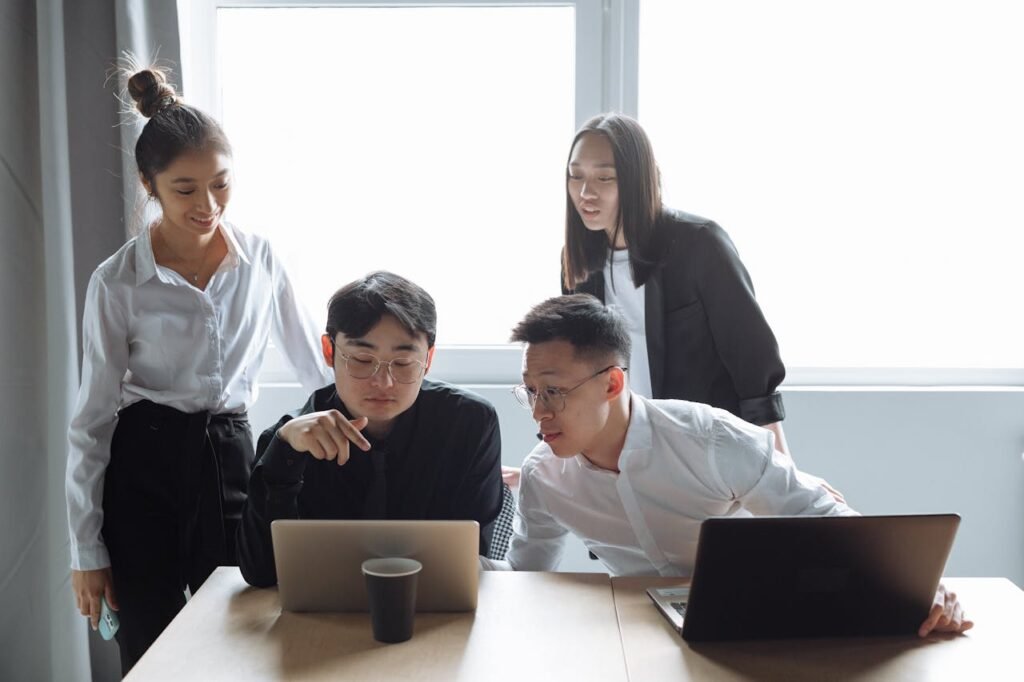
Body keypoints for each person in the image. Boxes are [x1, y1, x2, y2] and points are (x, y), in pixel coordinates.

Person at [490, 294, 970, 638]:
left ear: (613, 383)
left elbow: (821, 517)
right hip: (637, 632)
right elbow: (528, 576)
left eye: (553, 391)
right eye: (529, 391)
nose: (538, 411)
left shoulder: (709, 438)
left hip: (762, 616)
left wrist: (918, 587)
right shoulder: (544, 477)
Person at [65, 65, 330, 674]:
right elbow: (91, 421)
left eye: (221, 184)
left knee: (245, 632)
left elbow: (316, 372)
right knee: (150, 651)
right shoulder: (116, 282)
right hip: (142, 468)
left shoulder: (261, 259)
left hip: (231, 456)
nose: (207, 205)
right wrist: (86, 548)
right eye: (185, 189)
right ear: (148, 184)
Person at [502, 112, 796, 489]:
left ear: (636, 179)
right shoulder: (579, 265)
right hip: (627, 454)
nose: (585, 192)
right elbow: (576, 376)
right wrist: (543, 469)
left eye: (604, 178)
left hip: (706, 451)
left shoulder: (700, 245)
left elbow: (754, 369)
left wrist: (784, 474)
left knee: (717, 547)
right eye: (576, 176)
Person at [237, 271, 504, 587]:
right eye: (363, 359)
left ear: (428, 359)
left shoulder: (469, 424)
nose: (383, 382)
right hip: (323, 613)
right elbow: (260, 574)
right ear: (329, 351)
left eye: (403, 363)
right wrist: (283, 456)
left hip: (431, 609)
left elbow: (470, 558)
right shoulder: (290, 440)